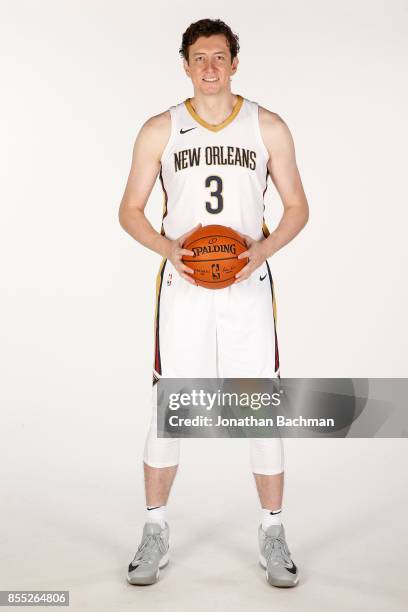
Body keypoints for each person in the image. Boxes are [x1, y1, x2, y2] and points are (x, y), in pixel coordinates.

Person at [119, 18, 309, 588]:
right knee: (171, 404)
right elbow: (130, 209)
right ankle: (155, 529)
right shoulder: (160, 129)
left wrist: (263, 250)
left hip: (247, 284)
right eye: (198, 57)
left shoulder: (266, 126)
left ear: (234, 62)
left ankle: (273, 533)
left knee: (258, 406)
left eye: (219, 57)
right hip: (184, 286)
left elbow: (297, 206)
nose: (209, 68)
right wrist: (169, 249)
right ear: (184, 64)